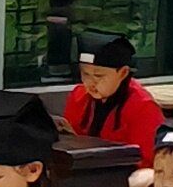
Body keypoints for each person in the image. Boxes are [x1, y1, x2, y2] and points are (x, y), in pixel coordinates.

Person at [60, 29, 164, 165]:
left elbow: (148, 159)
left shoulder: (143, 107)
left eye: (98, 76)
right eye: (85, 74)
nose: (91, 83)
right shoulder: (79, 96)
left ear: (123, 73)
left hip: (124, 170)